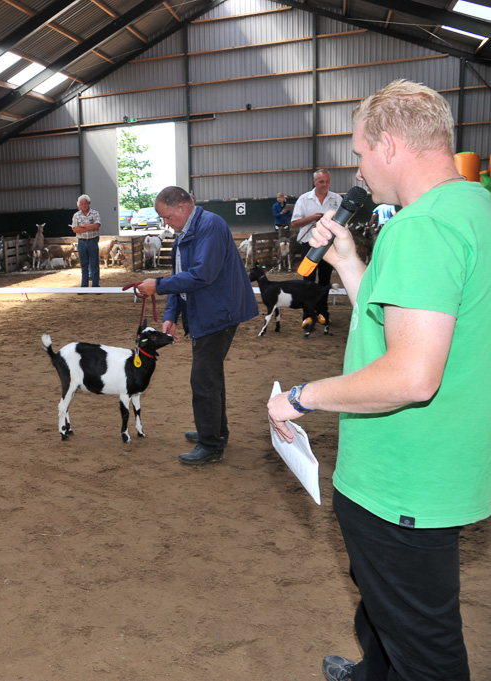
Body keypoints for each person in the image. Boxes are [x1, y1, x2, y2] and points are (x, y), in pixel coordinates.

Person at [267, 80, 491, 681]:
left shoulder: (419, 229)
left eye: (362, 153)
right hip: (442, 465)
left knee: (425, 646)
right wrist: (346, 261)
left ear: (389, 145)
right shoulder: (472, 208)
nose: (359, 170)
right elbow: (405, 326)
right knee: (387, 607)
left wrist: (300, 399)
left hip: (402, 480)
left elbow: (411, 374)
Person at [133, 186, 257, 465]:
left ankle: (211, 445)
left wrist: (159, 286)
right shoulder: (186, 232)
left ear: (182, 209)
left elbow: (201, 275)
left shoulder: (210, 226)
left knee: (203, 379)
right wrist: (170, 315)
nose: (165, 223)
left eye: (166, 217)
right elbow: (182, 275)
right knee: (212, 377)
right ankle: (215, 431)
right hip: (209, 311)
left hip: (218, 313)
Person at [290, 170, 341, 325]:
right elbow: (294, 223)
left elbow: (342, 222)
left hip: (328, 246)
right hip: (308, 246)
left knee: (325, 281)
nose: (324, 184)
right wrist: (311, 219)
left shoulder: (337, 199)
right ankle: (307, 315)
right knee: (308, 281)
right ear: (314, 182)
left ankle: (323, 312)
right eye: (321, 182)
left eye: (327, 181)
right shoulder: (304, 199)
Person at [71, 194, 101, 287]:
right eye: (82, 203)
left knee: (94, 265)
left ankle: (95, 286)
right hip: (82, 242)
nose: (84, 205)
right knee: (84, 265)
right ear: (80, 204)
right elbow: (75, 229)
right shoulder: (76, 215)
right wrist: (89, 227)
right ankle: (84, 286)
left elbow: (96, 226)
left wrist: (82, 226)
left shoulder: (95, 213)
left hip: (93, 241)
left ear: (89, 203)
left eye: (85, 203)